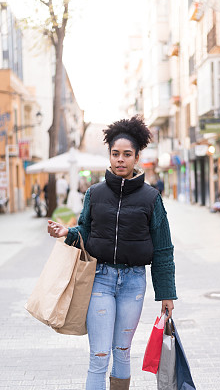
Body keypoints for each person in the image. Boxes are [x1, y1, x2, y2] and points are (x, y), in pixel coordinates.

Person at [47, 116, 177, 390]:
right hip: (100, 281)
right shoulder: (94, 194)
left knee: (122, 351)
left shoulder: (151, 198)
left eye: (127, 154)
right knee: (99, 355)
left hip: (134, 283)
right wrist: (67, 233)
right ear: (109, 156)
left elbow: (163, 250)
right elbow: (86, 232)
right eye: (115, 154)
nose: (120, 159)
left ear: (137, 157)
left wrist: (166, 294)